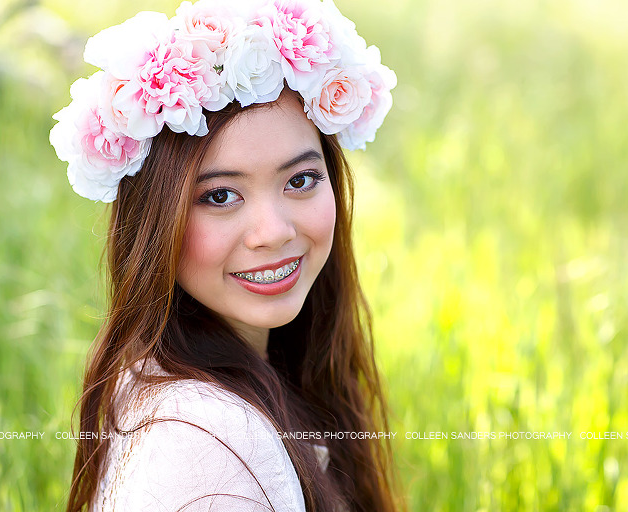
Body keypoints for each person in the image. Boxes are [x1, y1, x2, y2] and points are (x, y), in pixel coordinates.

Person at [49, 0, 403, 510]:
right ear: (155, 220)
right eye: (220, 196)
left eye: (300, 180)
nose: (273, 232)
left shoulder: (216, 375)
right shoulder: (204, 447)